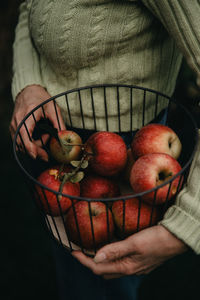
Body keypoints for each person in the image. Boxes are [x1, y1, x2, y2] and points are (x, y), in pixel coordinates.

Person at [9, 1, 200, 299]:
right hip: (53, 146)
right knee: (76, 268)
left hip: (137, 150)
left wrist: (191, 221)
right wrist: (29, 83)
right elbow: (29, 7)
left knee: (105, 279)